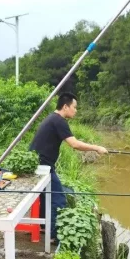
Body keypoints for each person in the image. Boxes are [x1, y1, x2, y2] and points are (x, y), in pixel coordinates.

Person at [29, 92, 108, 242]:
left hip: (40, 164)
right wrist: (97, 147)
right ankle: (53, 235)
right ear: (65, 106)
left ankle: (44, 228)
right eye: (74, 107)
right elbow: (75, 144)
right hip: (43, 166)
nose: (76, 110)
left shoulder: (52, 118)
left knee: (46, 198)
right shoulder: (59, 121)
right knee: (58, 199)